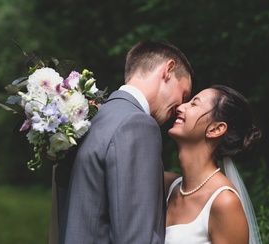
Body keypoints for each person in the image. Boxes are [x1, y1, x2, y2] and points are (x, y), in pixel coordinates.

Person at [62, 40, 193, 244]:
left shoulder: (95, 117)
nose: (180, 107)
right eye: (183, 95)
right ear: (168, 70)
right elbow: (137, 237)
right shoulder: (137, 124)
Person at [164, 85, 262, 244]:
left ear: (216, 129)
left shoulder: (224, 202)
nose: (181, 107)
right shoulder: (167, 186)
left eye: (194, 104)